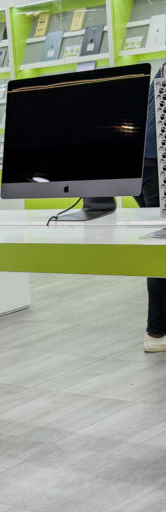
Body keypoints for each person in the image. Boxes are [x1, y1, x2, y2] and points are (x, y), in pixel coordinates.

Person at [136, 63, 166, 351]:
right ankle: (156, 333)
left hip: (143, 162)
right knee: (161, 249)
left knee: (159, 247)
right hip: (156, 164)